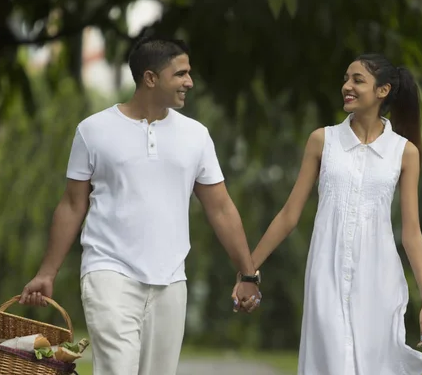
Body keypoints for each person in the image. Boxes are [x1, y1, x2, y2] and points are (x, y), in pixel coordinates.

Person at [19, 36, 262, 375]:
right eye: (180, 74)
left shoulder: (196, 136)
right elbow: (73, 205)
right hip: (109, 271)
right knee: (118, 368)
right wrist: (47, 272)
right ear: (150, 78)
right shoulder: (93, 131)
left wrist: (247, 273)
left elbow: (220, 207)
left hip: (171, 279)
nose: (189, 82)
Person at [235, 54, 422, 374]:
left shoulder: (404, 152)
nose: (347, 86)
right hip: (325, 274)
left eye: (357, 80)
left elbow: (411, 232)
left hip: (378, 279)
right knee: (328, 362)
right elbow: (289, 214)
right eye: (346, 79)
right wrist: (249, 272)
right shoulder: (322, 141)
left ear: (382, 91)